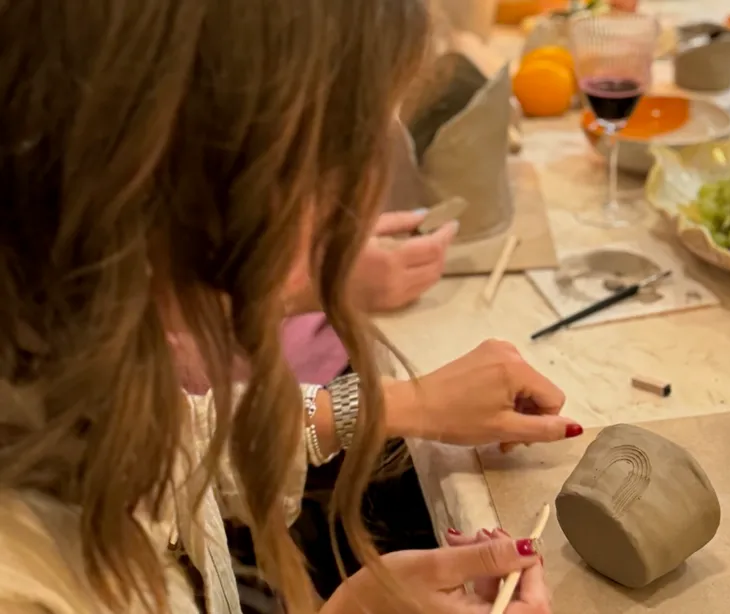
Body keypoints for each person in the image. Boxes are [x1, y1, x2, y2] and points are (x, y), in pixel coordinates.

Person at [0, 2, 582, 613]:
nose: (348, 215)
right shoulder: (32, 585)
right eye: (328, 170)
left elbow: (163, 440)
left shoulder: (61, 348)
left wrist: (384, 405)